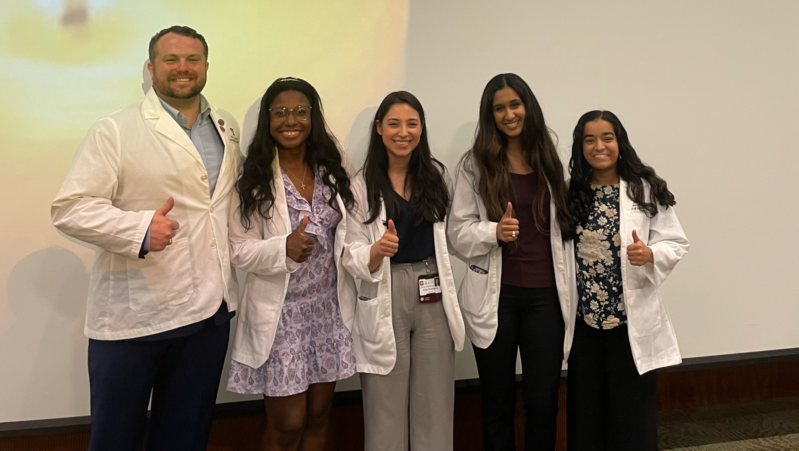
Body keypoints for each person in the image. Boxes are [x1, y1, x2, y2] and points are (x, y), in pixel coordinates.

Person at [51, 25, 241, 451]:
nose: (182, 68)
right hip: (134, 320)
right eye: (171, 60)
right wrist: (138, 229)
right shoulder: (115, 130)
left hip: (208, 317)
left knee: (186, 438)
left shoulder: (226, 128)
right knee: (117, 440)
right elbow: (70, 207)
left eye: (192, 59)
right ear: (151, 68)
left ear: (206, 67)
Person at [225, 77, 356, 451]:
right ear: (268, 120)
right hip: (282, 316)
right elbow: (237, 249)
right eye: (280, 112)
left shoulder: (332, 165)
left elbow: (350, 227)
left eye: (300, 111)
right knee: (287, 425)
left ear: (312, 116)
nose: (291, 120)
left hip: (327, 310)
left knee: (318, 418)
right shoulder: (253, 178)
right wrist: (282, 249)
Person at [448, 73, 577, 451]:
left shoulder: (549, 159)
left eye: (514, 105)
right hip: (497, 297)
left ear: (527, 107)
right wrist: (494, 232)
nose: (508, 114)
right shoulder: (475, 164)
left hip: (546, 299)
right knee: (497, 401)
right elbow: (457, 233)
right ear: (490, 115)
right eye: (499, 108)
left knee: (543, 401)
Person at [342, 91, 466, 451]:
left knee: (435, 401)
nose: (403, 132)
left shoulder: (437, 176)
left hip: (432, 291)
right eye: (393, 124)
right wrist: (376, 251)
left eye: (412, 124)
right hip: (385, 289)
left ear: (421, 128)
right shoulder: (359, 185)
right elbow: (348, 252)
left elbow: (455, 235)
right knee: (385, 406)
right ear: (379, 128)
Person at [565, 110, 689, 451]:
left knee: (631, 416)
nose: (599, 146)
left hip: (627, 322)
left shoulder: (643, 189)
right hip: (584, 322)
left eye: (607, 137)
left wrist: (650, 255)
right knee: (586, 415)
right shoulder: (569, 194)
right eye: (589, 139)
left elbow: (676, 242)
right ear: (580, 146)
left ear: (620, 143)